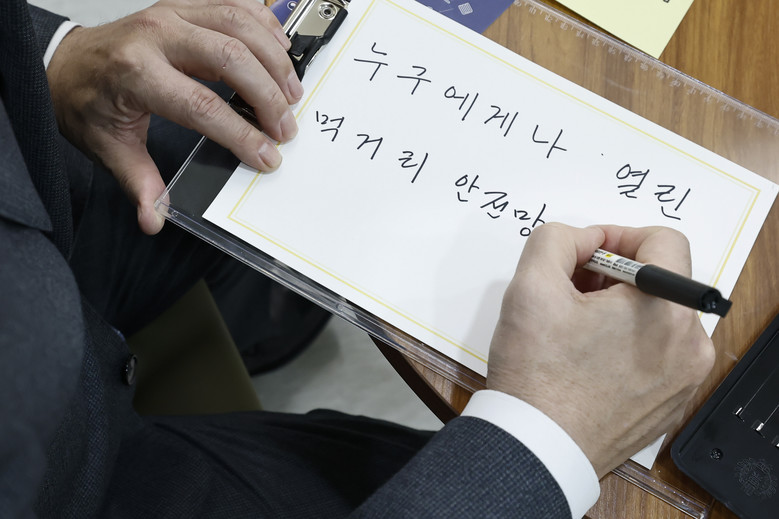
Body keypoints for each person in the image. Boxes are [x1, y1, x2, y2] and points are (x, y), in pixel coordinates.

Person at [0, 0, 715, 517]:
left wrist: (54, 56)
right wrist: (547, 438)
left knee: (267, 103)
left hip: (33, 204)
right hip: (79, 481)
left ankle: (260, 311)